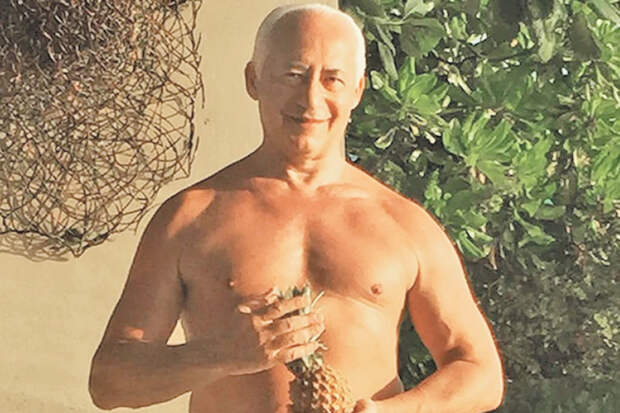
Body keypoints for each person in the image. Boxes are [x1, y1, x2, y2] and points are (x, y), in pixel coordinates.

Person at [88, 4, 504, 413]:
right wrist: (222, 354)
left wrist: (397, 411)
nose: (311, 99)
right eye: (293, 75)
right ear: (254, 79)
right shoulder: (192, 216)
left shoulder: (402, 223)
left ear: (357, 91)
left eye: (332, 80)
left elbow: (480, 372)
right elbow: (109, 381)